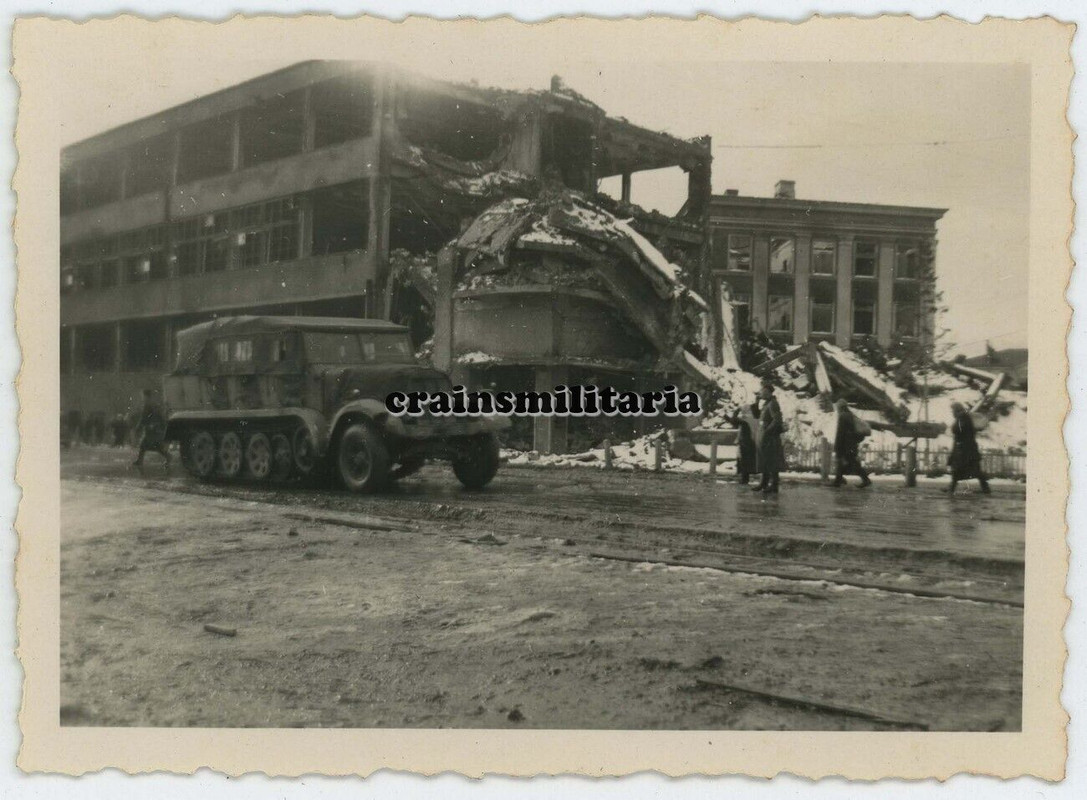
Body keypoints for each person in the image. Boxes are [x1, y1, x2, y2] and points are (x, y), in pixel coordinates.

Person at [946, 402, 991, 494]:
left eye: (953, 410)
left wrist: (953, 429)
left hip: (965, 450)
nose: (952, 413)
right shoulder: (963, 417)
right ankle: (985, 488)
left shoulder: (962, 418)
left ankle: (951, 489)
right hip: (965, 449)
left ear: (956, 410)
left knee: (961, 470)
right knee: (972, 471)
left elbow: (959, 430)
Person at [753, 381, 785, 494]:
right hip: (764, 437)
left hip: (769, 438)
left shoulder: (773, 403)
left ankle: (774, 485)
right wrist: (756, 402)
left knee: (772, 461)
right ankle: (764, 483)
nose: (761, 393)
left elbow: (777, 420)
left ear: (768, 392)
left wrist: (767, 432)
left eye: (763, 391)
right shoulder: (766, 403)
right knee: (765, 460)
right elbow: (756, 415)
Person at [832, 399, 872, 488]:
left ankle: (865, 480)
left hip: (846, 445)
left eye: (837, 407)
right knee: (848, 462)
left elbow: (840, 433)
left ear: (840, 407)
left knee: (851, 463)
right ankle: (838, 481)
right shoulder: (850, 415)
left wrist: (837, 446)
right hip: (851, 445)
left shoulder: (843, 416)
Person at [132, 389, 170, 470]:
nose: (142, 397)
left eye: (142, 396)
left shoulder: (147, 404)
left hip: (151, 428)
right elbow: (159, 416)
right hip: (154, 428)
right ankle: (140, 460)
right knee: (149, 445)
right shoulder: (153, 404)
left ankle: (168, 456)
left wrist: (139, 426)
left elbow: (144, 417)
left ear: (146, 396)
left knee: (147, 445)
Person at [728, 400, 760, 485]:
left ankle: (744, 479)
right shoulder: (756, 419)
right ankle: (746, 478)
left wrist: (736, 410)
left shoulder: (747, 419)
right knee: (749, 460)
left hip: (745, 441)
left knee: (744, 461)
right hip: (753, 440)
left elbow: (733, 420)